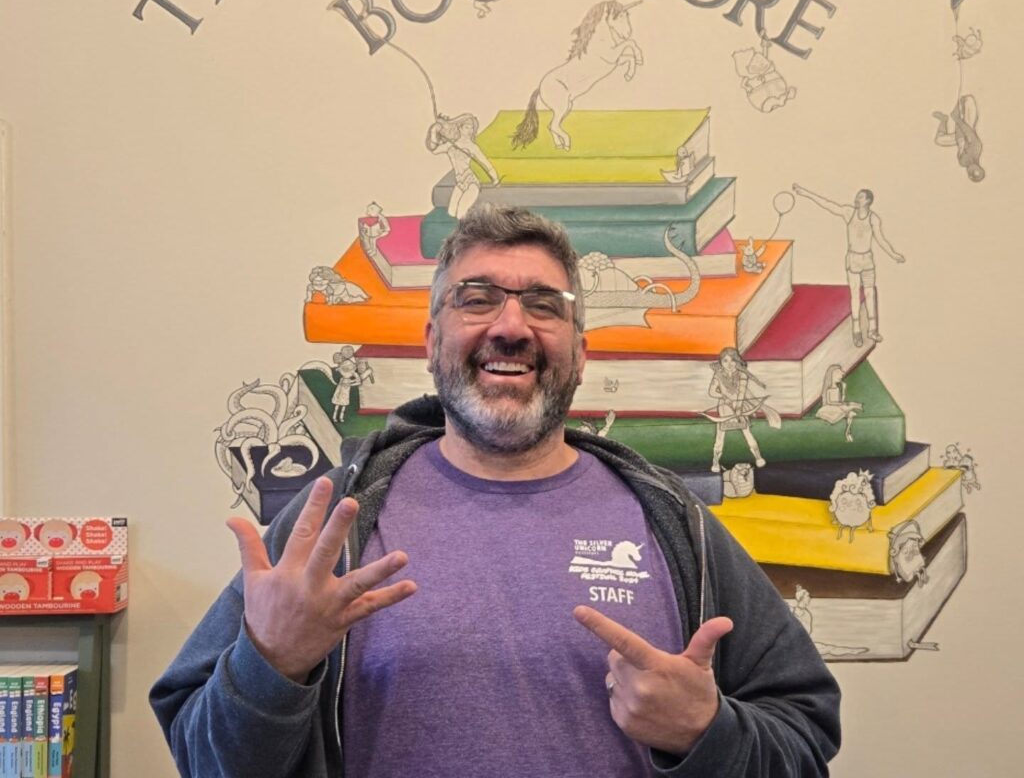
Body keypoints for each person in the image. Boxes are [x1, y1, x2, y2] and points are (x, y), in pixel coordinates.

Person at [151, 205, 841, 778]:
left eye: (543, 304)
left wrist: (707, 733)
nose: (510, 326)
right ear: (430, 341)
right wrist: (271, 665)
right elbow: (206, 762)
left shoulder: (672, 523)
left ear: (579, 349)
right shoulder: (335, 522)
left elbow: (806, 737)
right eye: (477, 299)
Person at [793, 184, 905, 346]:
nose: (856, 198)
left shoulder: (874, 219)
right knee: (854, 294)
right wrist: (804, 192)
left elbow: (880, 239)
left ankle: (872, 329)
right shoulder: (848, 212)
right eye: (857, 196)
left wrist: (893, 254)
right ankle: (856, 330)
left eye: (860, 196)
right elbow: (827, 204)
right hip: (852, 259)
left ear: (867, 201)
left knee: (869, 294)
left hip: (867, 260)